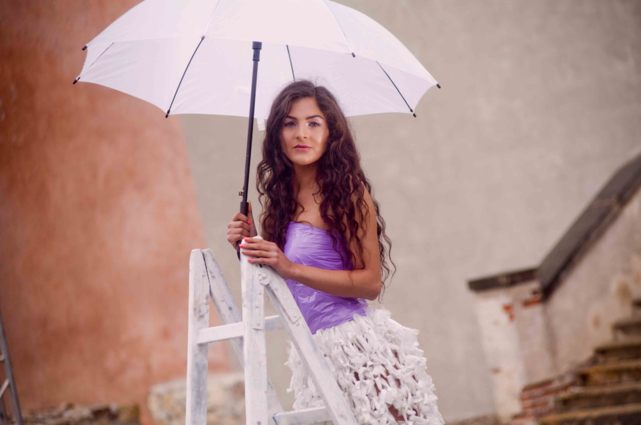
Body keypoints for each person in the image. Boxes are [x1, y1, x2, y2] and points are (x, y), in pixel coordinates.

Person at [226, 80, 444, 425]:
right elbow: (282, 286)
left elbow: (370, 284)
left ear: (331, 132)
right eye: (290, 123)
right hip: (311, 354)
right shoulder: (280, 203)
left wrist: (290, 266)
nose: (302, 133)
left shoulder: (347, 194)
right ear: (277, 134)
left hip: (358, 352)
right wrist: (248, 244)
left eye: (314, 123)